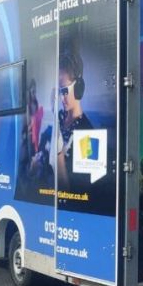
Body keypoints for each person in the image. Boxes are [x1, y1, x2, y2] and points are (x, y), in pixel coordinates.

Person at [57, 49, 93, 191]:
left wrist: (58, 154)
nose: (61, 98)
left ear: (78, 87)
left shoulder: (87, 134)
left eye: (65, 91)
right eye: (59, 92)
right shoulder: (58, 119)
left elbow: (76, 192)